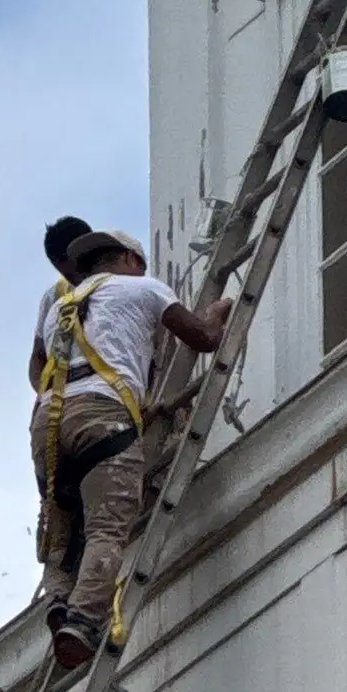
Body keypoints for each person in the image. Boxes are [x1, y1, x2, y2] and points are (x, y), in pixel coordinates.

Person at [32, 228, 231, 669]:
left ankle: (59, 601)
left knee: (62, 523)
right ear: (129, 259)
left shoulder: (59, 307)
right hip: (102, 414)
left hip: (47, 424)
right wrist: (218, 312)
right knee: (106, 526)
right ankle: (82, 622)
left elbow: (38, 367)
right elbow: (202, 337)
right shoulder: (143, 288)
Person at [30, 215, 94, 393]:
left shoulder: (122, 284)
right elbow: (38, 356)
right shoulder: (54, 297)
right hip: (64, 397)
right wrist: (45, 394)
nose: (76, 276)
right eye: (67, 272)